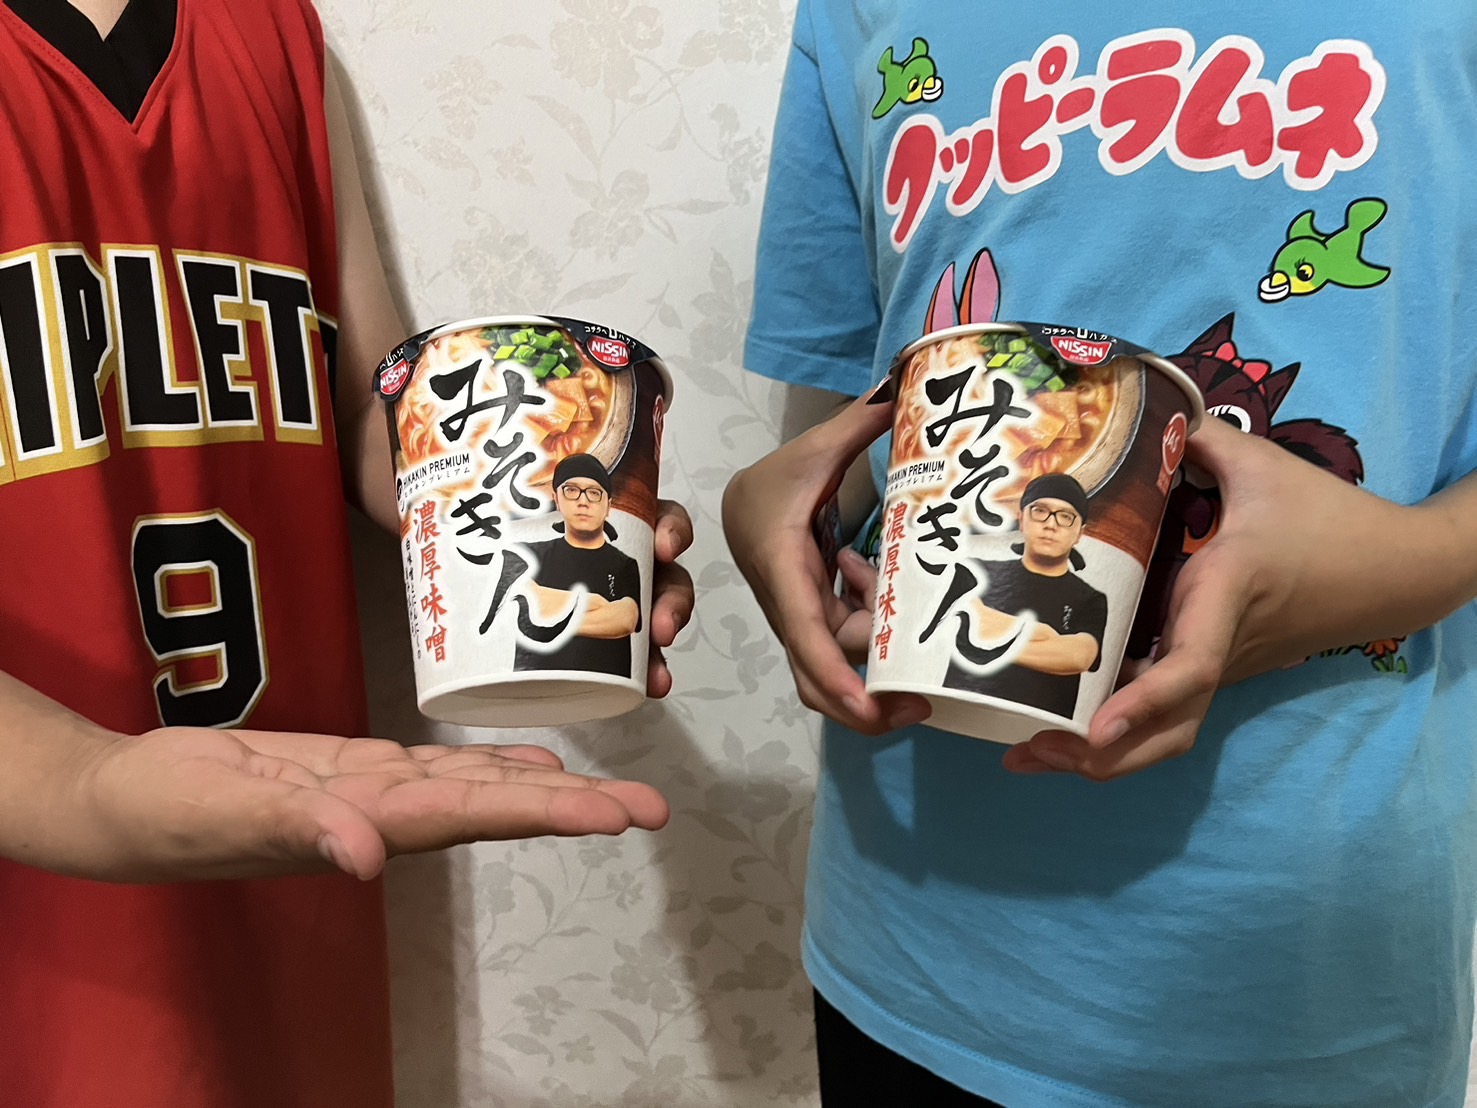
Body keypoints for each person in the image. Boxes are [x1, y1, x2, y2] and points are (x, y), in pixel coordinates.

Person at [724, 4, 1477, 1106]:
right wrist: (782, 510)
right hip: (907, 938)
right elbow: (852, 416)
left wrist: (1408, 563)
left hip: (1304, 972)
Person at [0, 1, 693, 1105]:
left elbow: (369, 409)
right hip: (41, 875)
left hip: (298, 814)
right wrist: (77, 781)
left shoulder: (272, 34)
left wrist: (513, 505)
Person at [939, 473, 1106, 721]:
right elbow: (952, 616)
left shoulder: (1090, 599)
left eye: (1065, 516)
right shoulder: (976, 570)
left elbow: (1079, 656)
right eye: (1040, 511)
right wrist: (1043, 634)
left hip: (1037, 727)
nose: (1051, 524)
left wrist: (986, 635)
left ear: (1079, 533)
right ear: (1021, 520)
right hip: (954, 710)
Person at [515, 452, 643, 677]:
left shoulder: (624, 565)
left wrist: (545, 616)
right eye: (572, 490)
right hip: (533, 684)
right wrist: (593, 602)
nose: (583, 501)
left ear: (608, 506)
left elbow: (626, 619)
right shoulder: (529, 554)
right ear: (557, 499)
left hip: (604, 687)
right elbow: (517, 596)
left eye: (594, 493)